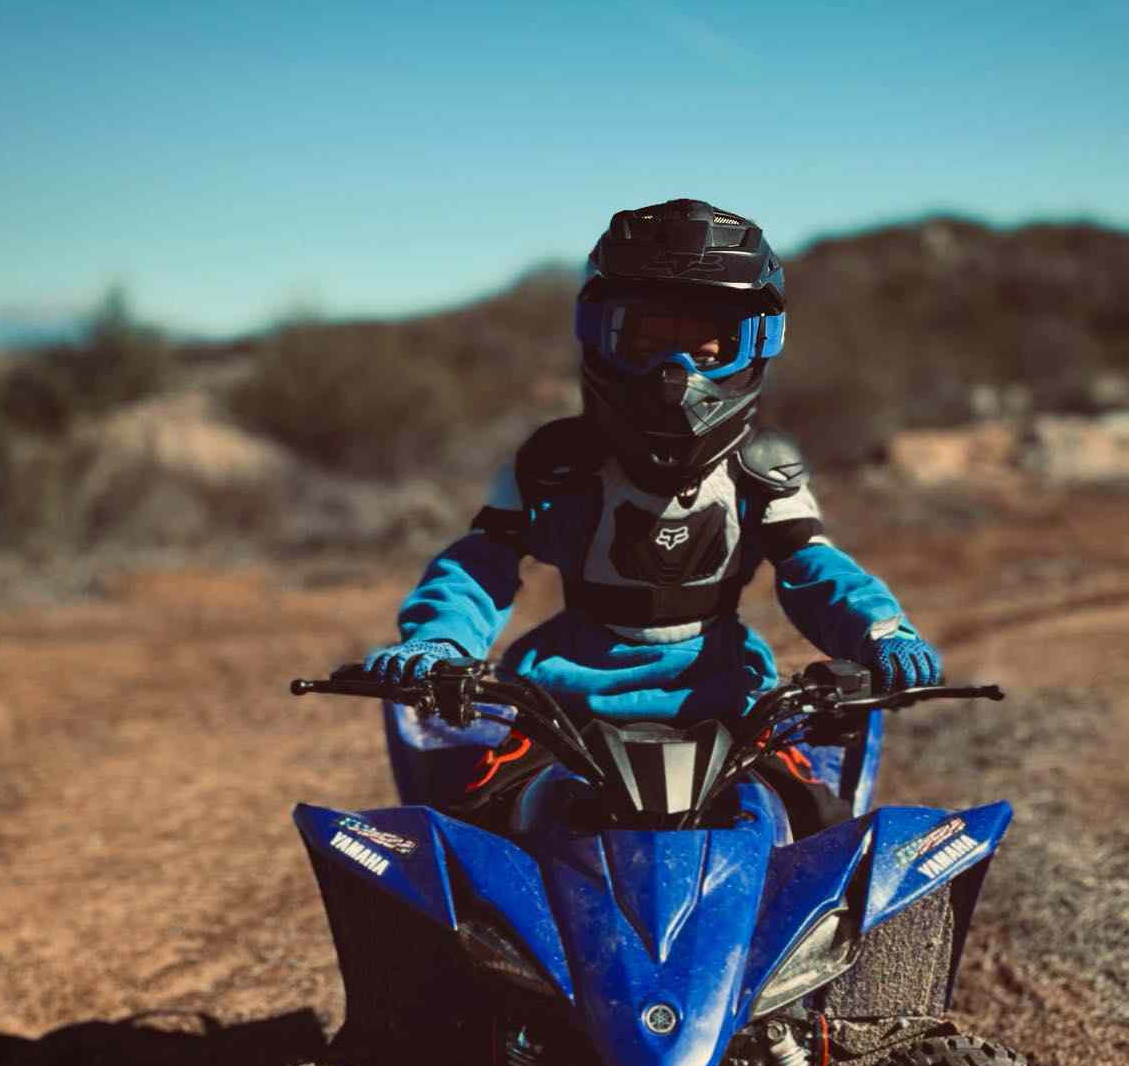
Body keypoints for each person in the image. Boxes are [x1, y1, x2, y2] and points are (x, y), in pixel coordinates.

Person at [362, 198, 942, 817]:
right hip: (559, 707)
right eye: (647, 340)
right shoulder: (556, 463)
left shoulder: (762, 466)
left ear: (759, 344)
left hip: (730, 704)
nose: (676, 373)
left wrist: (881, 632)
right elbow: (481, 566)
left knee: (819, 824)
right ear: (596, 336)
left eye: (708, 344)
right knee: (474, 826)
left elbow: (814, 570)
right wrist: (441, 642)